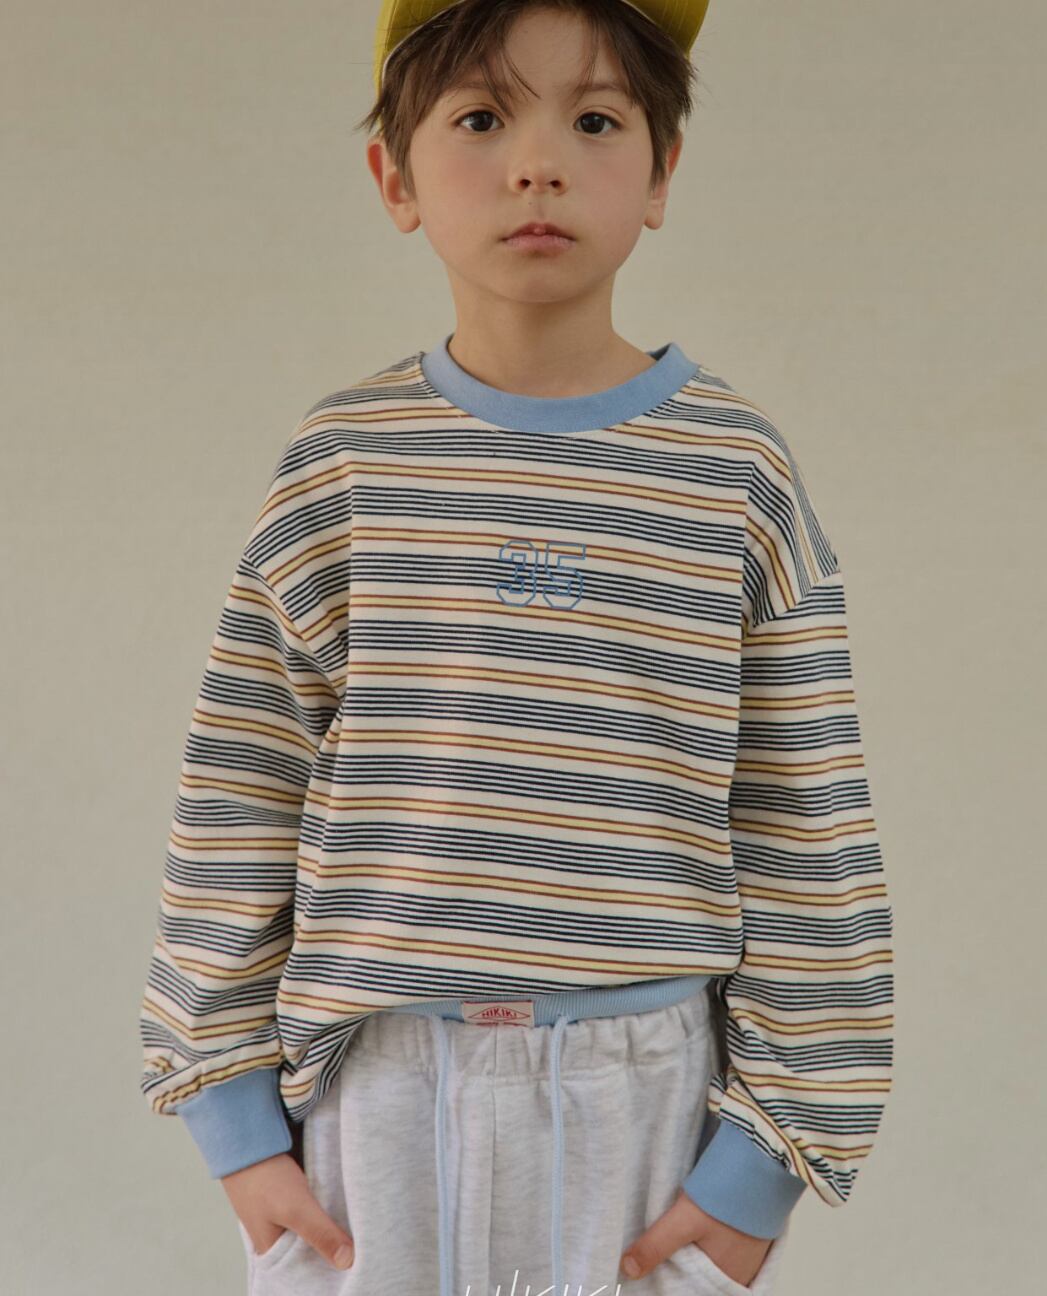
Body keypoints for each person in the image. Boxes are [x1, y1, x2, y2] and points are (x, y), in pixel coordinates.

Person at [137, 2, 895, 1292]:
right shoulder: (345, 466)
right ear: (395, 178)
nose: (538, 163)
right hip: (373, 1088)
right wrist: (226, 1106)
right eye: (482, 118)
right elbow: (242, 785)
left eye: (594, 121)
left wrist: (766, 1160)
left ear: (661, 173)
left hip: (644, 1095)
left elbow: (804, 820)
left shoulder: (736, 473)